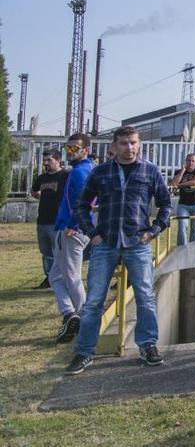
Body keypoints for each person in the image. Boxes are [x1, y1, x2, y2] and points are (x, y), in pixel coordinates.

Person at [65, 126, 172, 375]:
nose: (129, 148)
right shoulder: (100, 173)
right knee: (93, 301)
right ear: (113, 146)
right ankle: (84, 351)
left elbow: (166, 204)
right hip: (106, 244)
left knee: (145, 297)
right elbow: (81, 206)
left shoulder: (150, 171)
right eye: (124, 143)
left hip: (138, 244)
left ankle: (148, 345)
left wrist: (153, 231)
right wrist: (92, 234)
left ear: (140, 143)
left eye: (134, 142)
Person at [48, 133, 94, 343]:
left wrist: (73, 225)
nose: (70, 152)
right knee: (56, 275)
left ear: (86, 149)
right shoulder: (80, 170)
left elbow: (87, 200)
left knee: (71, 276)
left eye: (75, 148)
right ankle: (70, 314)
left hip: (73, 232)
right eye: (68, 148)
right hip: (71, 229)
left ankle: (85, 318)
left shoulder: (81, 172)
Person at [30, 149, 67, 289]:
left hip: (57, 221)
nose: (46, 163)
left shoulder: (65, 175)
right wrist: (43, 198)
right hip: (42, 220)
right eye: (44, 160)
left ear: (58, 160)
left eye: (49, 160)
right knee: (46, 252)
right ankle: (49, 277)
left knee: (58, 251)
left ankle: (60, 278)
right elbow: (34, 191)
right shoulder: (42, 178)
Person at [170, 153, 195, 246]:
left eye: (193, 161)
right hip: (183, 205)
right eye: (188, 160)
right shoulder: (179, 171)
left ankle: (193, 248)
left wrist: (180, 185)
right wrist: (182, 171)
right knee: (182, 227)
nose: (190, 163)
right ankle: (182, 250)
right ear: (185, 161)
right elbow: (173, 183)